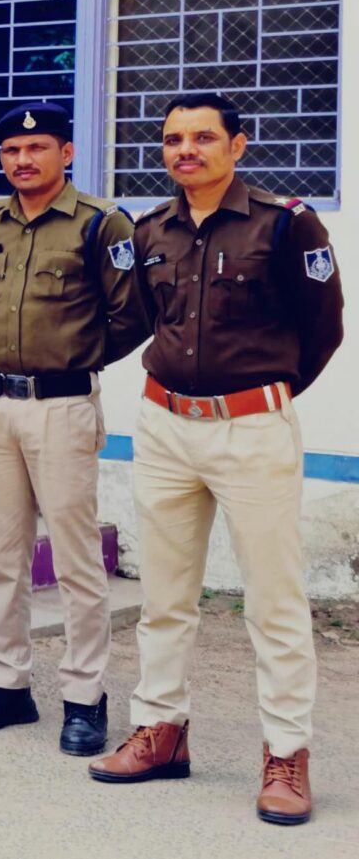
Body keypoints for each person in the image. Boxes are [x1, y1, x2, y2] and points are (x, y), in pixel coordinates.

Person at [90, 93, 342, 825]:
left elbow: (324, 327)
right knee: (165, 597)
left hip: (252, 430)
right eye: (174, 139)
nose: (186, 150)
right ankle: (160, 730)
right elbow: (147, 320)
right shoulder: (151, 229)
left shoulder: (286, 224)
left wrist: (265, 395)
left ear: (238, 144)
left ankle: (286, 753)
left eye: (203, 137)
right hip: (165, 427)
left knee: (274, 601)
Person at [0, 102, 146, 756]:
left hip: (62, 407)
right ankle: (7, 684)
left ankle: (84, 696)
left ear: (66, 152)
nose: (22, 159)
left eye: (36, 147)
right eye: (11, 149)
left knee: (75, 559)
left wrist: (74, 358)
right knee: (1, 554)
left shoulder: (100, 222)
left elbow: (130, 315)